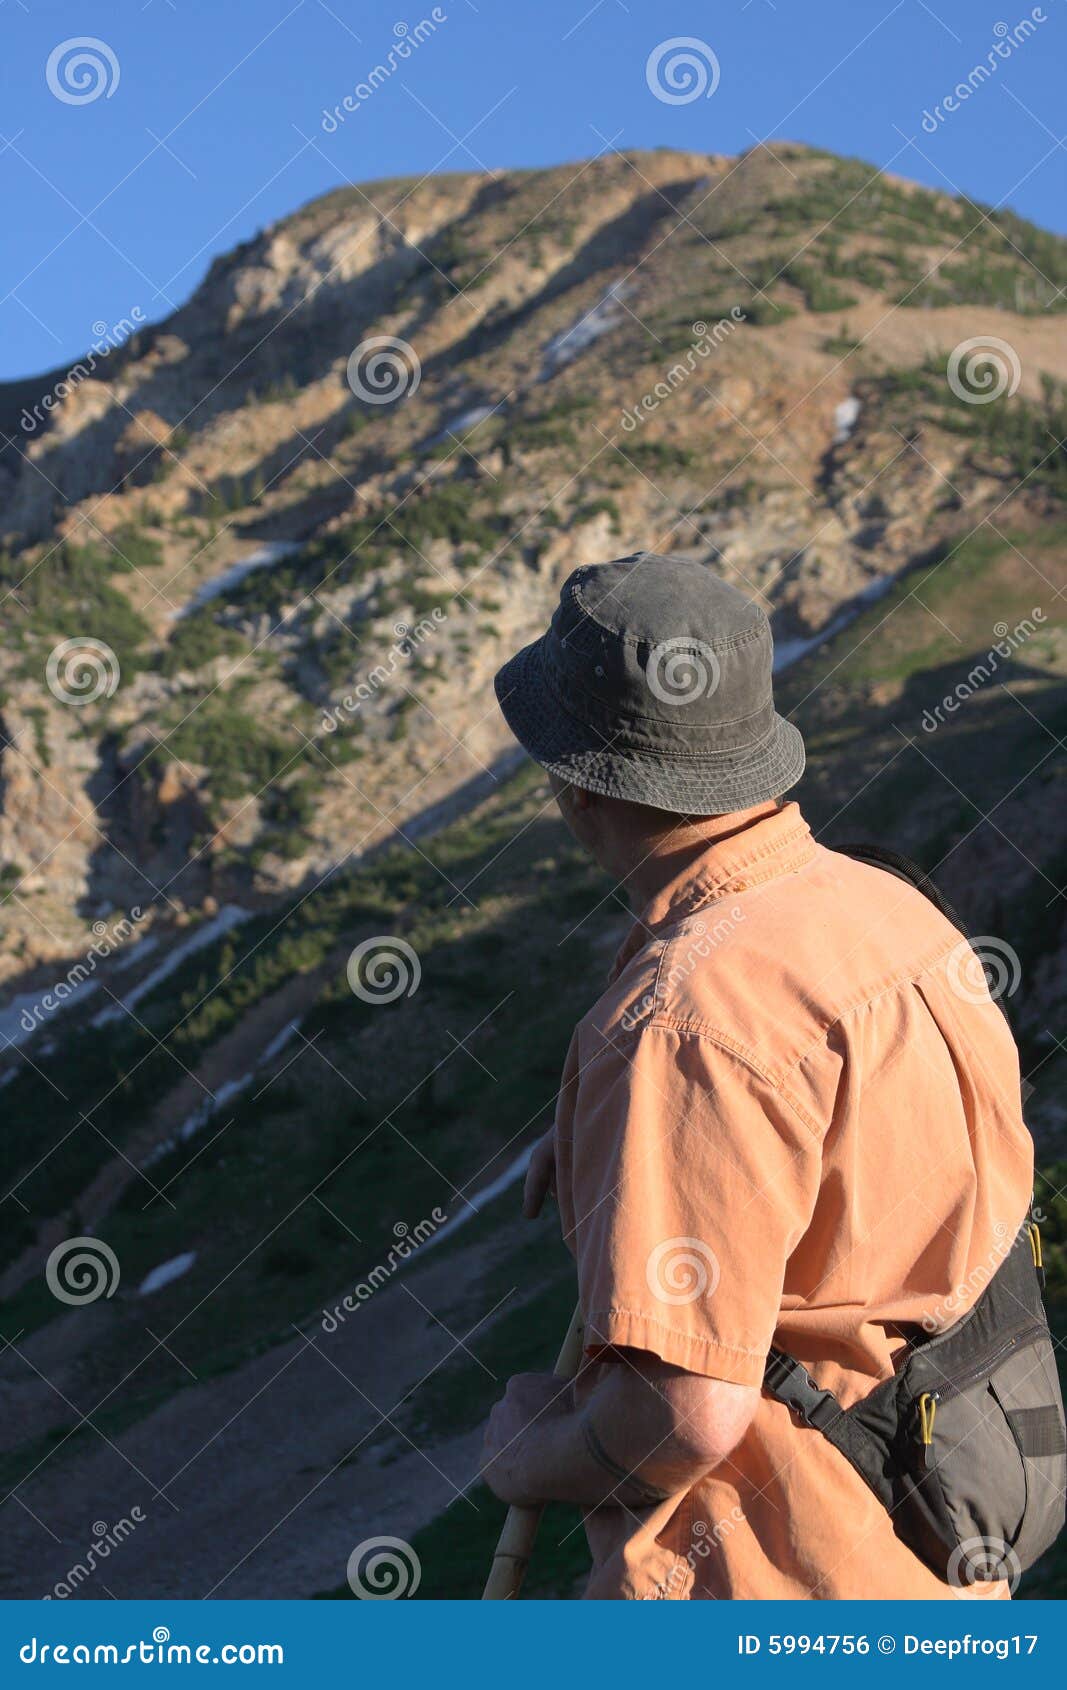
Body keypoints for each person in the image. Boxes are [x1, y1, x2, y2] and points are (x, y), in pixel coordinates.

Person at [479, 552, 1034, 1600]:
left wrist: (527, 1450)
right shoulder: (884, 908)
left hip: (780, 1584)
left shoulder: (681, 1023)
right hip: (936, 1535)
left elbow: (685, 1417)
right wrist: (640, 1142)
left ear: (575, 782)